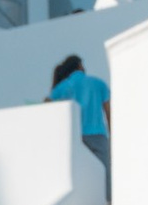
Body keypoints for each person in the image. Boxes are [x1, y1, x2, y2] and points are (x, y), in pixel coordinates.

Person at [47, 47, 111, 190]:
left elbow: (48, 109)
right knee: (105, 171)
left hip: (74, 137)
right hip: (98, 135)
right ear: (80, 66)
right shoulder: (99, 83)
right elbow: (108, 112)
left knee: (81, 173)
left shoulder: (61, 88)